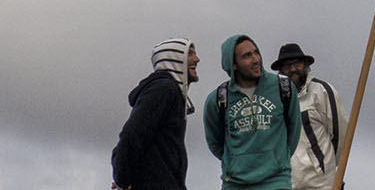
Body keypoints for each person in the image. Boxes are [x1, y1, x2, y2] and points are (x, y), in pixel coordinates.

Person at [203, 34, 302, 190]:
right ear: (233, 64)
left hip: (276, 181)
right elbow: (215, 142)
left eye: (256, 53)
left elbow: (294, 131)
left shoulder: (283, 88)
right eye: (247, 56)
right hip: (235, 184)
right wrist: (237, 162)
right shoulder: (218, 99)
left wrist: (277, 159)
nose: (256, 60)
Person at [112, 38, 200, 190]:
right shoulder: (164, 89)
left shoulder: (171, 92)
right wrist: (122, 181)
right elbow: (132, 134)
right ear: (174, 59)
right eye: (189, 54)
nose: (197, 59)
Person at [271, 43, 345, 190]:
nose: (293, 69)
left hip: (321, 185)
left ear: (305, 65)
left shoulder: (322, 91)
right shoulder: (273, 101)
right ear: (280, 72)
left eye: (297, 64)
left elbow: (341, 137)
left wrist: (326, 169)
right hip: (287, 184)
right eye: (287, 66)